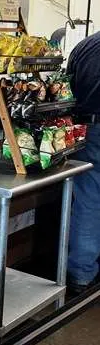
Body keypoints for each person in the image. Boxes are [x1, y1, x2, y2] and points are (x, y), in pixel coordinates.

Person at [66, 30, 100, 293]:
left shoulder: (84, 46)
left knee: (88, 200)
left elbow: (66, 90)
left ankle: (81, 274)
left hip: (87, 131)